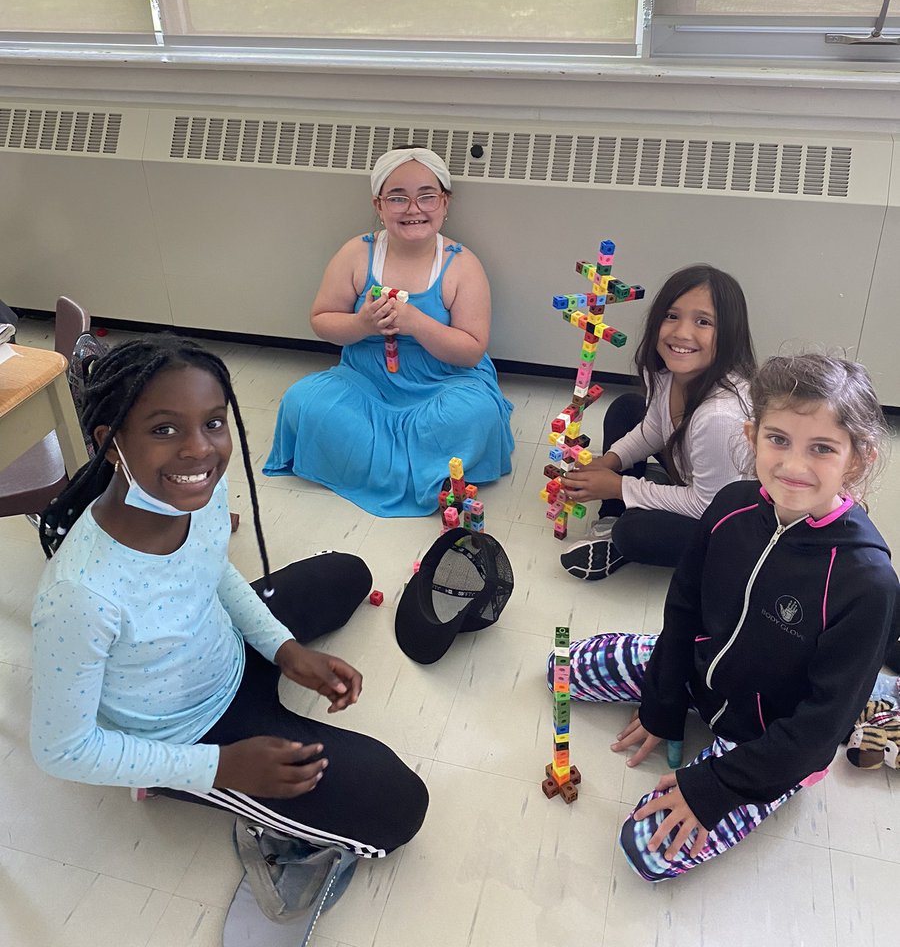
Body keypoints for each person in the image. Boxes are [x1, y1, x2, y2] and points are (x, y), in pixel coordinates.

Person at [32, 335, 428, 859]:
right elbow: (62, 749)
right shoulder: (80, 595)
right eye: (164, 429)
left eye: (213, 422)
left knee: (348, 573)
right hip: (188, 732)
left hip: (226, 652)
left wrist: (282, 649)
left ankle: (257, 682)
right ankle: (166, 780)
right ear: (113, 441)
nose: (199, 449)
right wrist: (218, 767)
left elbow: (210, 567)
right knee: (399, 805)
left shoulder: (198, 489)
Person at [555, 353, 900, 881]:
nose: (793, 465)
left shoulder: (868, 582)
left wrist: (712, 785)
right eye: (778, 439)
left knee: (646, 852)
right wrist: (662, 702)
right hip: (698, 670)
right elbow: (684, 605)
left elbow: (818, 732)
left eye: (822, 449)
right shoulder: (732, 505)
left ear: (857, 460)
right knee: (560, 667)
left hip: (764, 739)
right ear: (752, 434)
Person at [264, 146, 514, 517]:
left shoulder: (462, 264)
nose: (413, 209)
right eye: (398, 198)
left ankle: (380, 464)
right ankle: (421, 468)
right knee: (303, 401)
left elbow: (471, 351)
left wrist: (416, 322)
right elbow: (321, 320)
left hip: (444, 380)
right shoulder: (356, 253)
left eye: (426, 197)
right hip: (366, 378)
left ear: (445, 204)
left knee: (475, 413)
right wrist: (362, 324)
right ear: (379, 207)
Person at [559, 264, 755, 581]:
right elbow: (653, 429)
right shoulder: (667, 372)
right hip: (692, 471)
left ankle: (624, 525)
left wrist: (620, 486)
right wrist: (609, 463)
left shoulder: (720, 416)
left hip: (725, 518)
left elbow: (707, 505)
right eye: (672, 315)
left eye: (703, 322)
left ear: (730, 333)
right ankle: (612, 516)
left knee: (636, 533)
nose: (681, 333)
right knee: (626, 408)